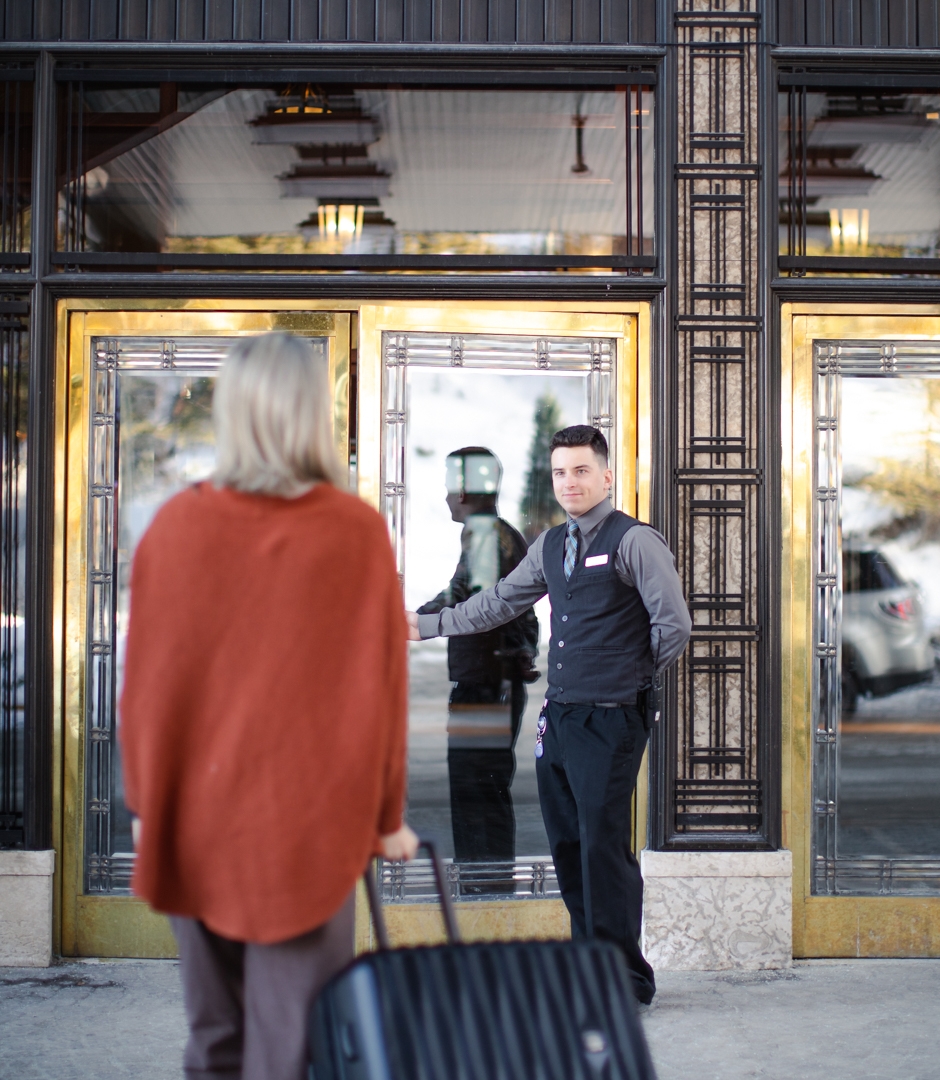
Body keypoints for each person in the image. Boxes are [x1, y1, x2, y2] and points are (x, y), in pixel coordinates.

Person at [120, 333, 418, 1080]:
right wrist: (385, 819)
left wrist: (146, 803)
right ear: (313, 414)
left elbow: (146, 692)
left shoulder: (175, 530)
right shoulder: (355, 533)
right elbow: (380, 693)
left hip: (195, 818)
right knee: (292, 1048)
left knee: (214, 1039)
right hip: (308, 828)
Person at [407, 424, 691, 1005]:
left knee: (602, 846)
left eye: (582, 470)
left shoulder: (636, 541)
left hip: (612, 718)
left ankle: (626, 978)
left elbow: (674, 628)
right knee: (567, 845)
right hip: (558, 717)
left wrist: (631, 680)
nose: (570, 482)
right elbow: (496, 602)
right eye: (561, 472)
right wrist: (423, 625)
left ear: (606, 476)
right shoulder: (550, 544)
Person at [416, 448, 539, 891]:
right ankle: (487, 885)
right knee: (484, 785)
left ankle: (484, 889)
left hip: (487, 683)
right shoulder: (494, 533)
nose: (447, 496)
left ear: (464, 490)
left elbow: (474, 601)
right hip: (494, 679)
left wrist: (411, 622)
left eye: (451, 485)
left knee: (477, 788)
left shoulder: (486, 534)